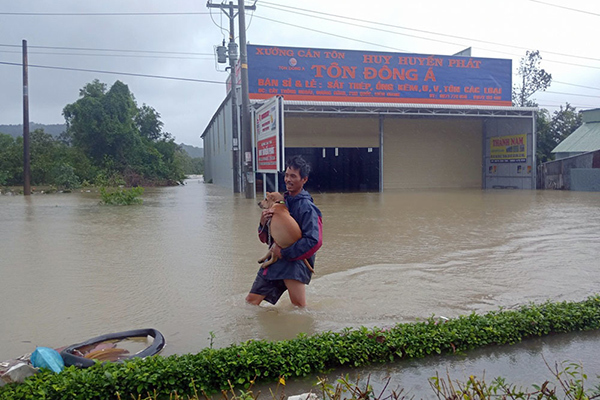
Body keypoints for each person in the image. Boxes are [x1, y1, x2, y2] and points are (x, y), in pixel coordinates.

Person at [246, 155, 323, 307]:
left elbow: (314, 241)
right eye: (287, 175)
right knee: (251, 302)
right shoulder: (279, 202)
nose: (288, 179)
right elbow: (266, 238)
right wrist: (262, 223)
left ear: (304, 180)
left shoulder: (307, 207)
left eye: (293, 176)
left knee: (299, 308)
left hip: (295, 264)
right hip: (274, 262)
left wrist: (285, 253)